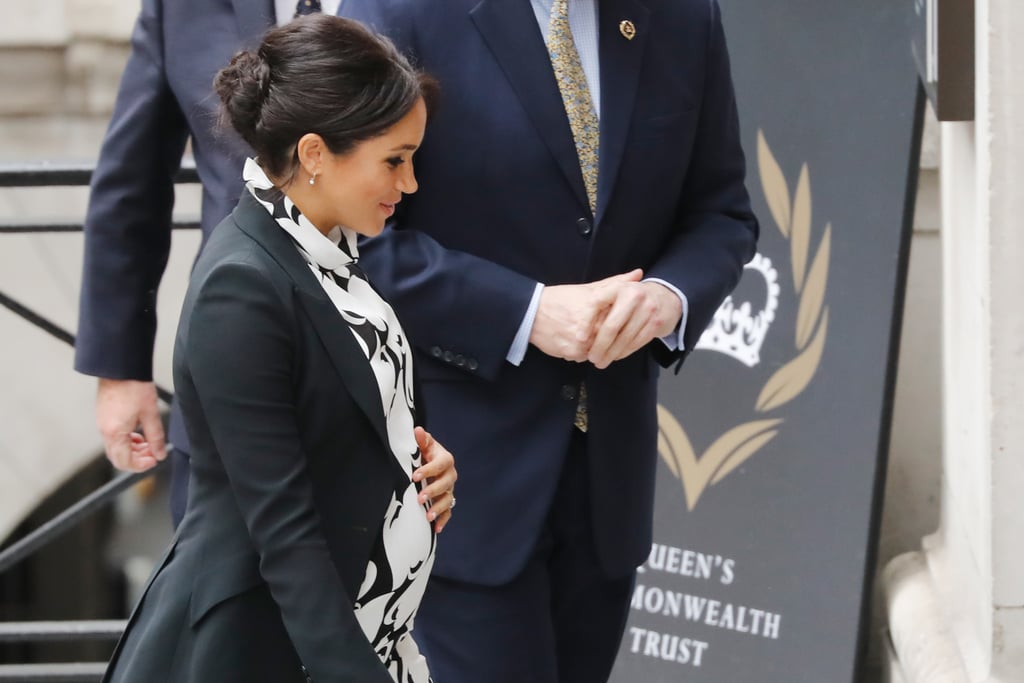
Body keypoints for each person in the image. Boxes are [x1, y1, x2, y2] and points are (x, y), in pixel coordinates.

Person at [335, 1, 760, 682]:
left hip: (609, 488)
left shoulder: (685, 16)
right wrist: (526, 312)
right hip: (453, 472)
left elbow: (722, 212)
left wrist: (667, 298)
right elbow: (349, 236)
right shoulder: (399, 10)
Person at [102, 15, 455, 683]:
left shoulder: (328, 253)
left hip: (350, 632)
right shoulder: (243, 286)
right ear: (317, 153)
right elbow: (285, 537)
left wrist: (417, 462)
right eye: (394, 160)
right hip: (263, 650)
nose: (408, 186)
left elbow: (336, 418)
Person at [75, 0, 348, 525]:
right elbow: (132, 185)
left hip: (395, 365)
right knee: (215, 595)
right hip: (229, 368)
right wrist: (119, 370)